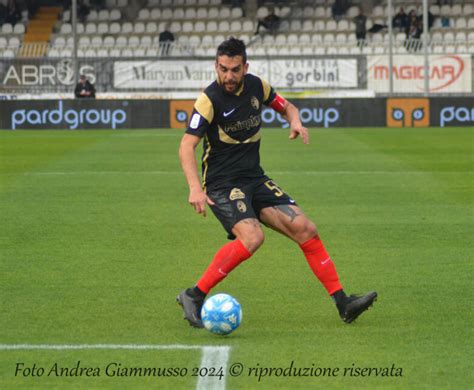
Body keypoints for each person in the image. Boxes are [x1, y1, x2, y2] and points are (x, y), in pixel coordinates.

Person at [177, 37, 377, 329]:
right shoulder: (209, 100)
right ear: (215, 66)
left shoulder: (258, 86)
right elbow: (186, 146)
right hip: (223, 183)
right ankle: (194, 295)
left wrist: (294, 120)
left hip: (254, 178)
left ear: (245, 67)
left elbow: (287, 107)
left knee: (305, 229)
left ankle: (343, 303)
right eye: (223, 69)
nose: (228, 76)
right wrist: (195, 188)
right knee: (253, 238)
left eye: (234, 69)